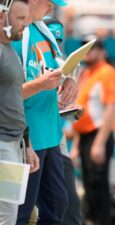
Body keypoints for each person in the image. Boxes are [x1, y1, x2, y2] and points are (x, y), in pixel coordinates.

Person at [11, 0, 78, 224]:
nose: (52, 9)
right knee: (18, 211)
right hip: (23, 138)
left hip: (50, 135)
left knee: (57, 204)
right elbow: (7, 96)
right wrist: (40, 85)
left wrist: (69, 80)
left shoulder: (42, 31)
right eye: (49, 3)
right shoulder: (13, 39)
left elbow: (52, 70)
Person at [70, 38, 115, 225]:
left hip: (98, 135)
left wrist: (99, 142)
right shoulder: (85, 73)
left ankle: (101, 221)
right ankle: (92, 220)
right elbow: (78, 110)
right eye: (85, 48)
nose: (89, 52)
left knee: (98, 184)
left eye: (93, 48)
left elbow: (110, 109)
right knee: (89, 184)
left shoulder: (107, 72)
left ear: (102, 51)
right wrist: (76, 145)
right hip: (84, 136)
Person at [0, 0, 39, 224]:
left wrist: (27, 144)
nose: (26, 25)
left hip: (14, 145)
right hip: (3, 146)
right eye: (21, 19)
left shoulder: (10, 51)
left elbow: (14, 102)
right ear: (2, 16)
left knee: (9, 215)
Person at [43, 16, 83, 225]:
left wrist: (69, 109)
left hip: (56, 142)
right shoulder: (25, 56)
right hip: (24, 142)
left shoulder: (67, 65)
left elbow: (63, 104)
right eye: (52, 40)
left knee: (68, 206)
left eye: (59, 40)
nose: (56, 46)